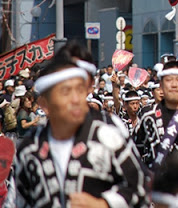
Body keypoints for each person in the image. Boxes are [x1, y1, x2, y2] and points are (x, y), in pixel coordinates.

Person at [15, 57, 149, 208]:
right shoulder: (29, 149)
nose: (74, 100)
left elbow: (140, 188)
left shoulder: (106, 137)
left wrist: (104, 203)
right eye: (65, 92)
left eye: (79, 91)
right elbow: (17, 201)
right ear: (45, 105)